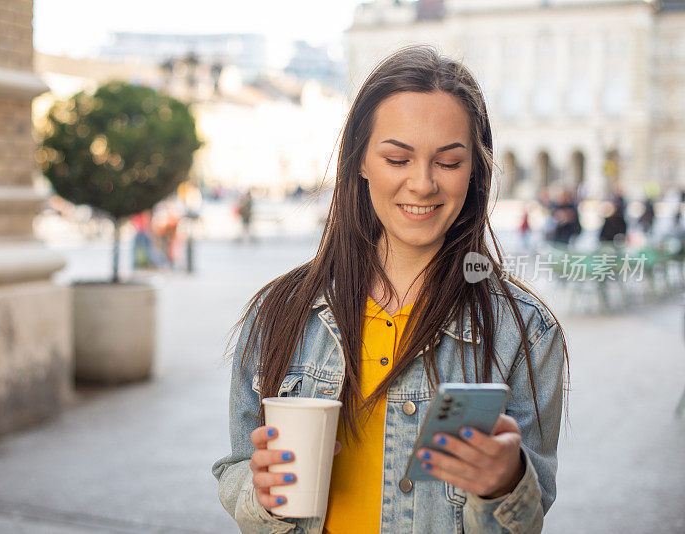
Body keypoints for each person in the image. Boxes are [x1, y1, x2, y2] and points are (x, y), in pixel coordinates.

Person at [212, 45, 569, 534]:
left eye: (447, 162)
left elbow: (526, 519)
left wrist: (505, 482)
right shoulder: (280, 313)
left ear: (475, 171)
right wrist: (259, 493)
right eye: (398, 158)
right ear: (360, 161)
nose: (421, 184)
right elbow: (235, 471)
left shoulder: (524, 331)